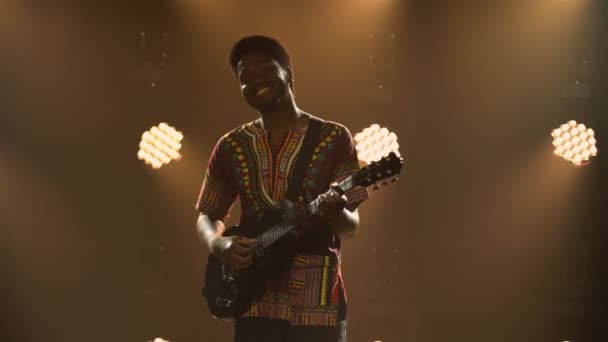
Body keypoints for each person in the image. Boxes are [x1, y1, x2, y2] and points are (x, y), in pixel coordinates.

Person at [195, 35, 368, 342]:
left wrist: (336, 209)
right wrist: (220, 246)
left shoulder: (334, 137)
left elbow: (349, 228)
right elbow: (208, 214)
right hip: (255, 301)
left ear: (287, 71)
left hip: (318, 298)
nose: (254, 80)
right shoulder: (230, 146)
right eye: (244, 77)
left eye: (263, 68)